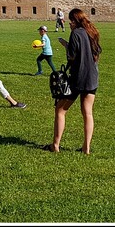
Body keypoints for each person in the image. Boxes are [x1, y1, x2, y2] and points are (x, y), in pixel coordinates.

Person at [46, 8, 101, 154]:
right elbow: (97, 52)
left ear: (74, 20)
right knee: (87, 112)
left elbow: (71, 56)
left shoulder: (76, 33)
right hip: (92, 77)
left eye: (71, 21)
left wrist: (66, 45)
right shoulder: (92, 32)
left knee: (60, 109)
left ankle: (55, 145)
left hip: (78, 77)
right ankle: (86, 147)